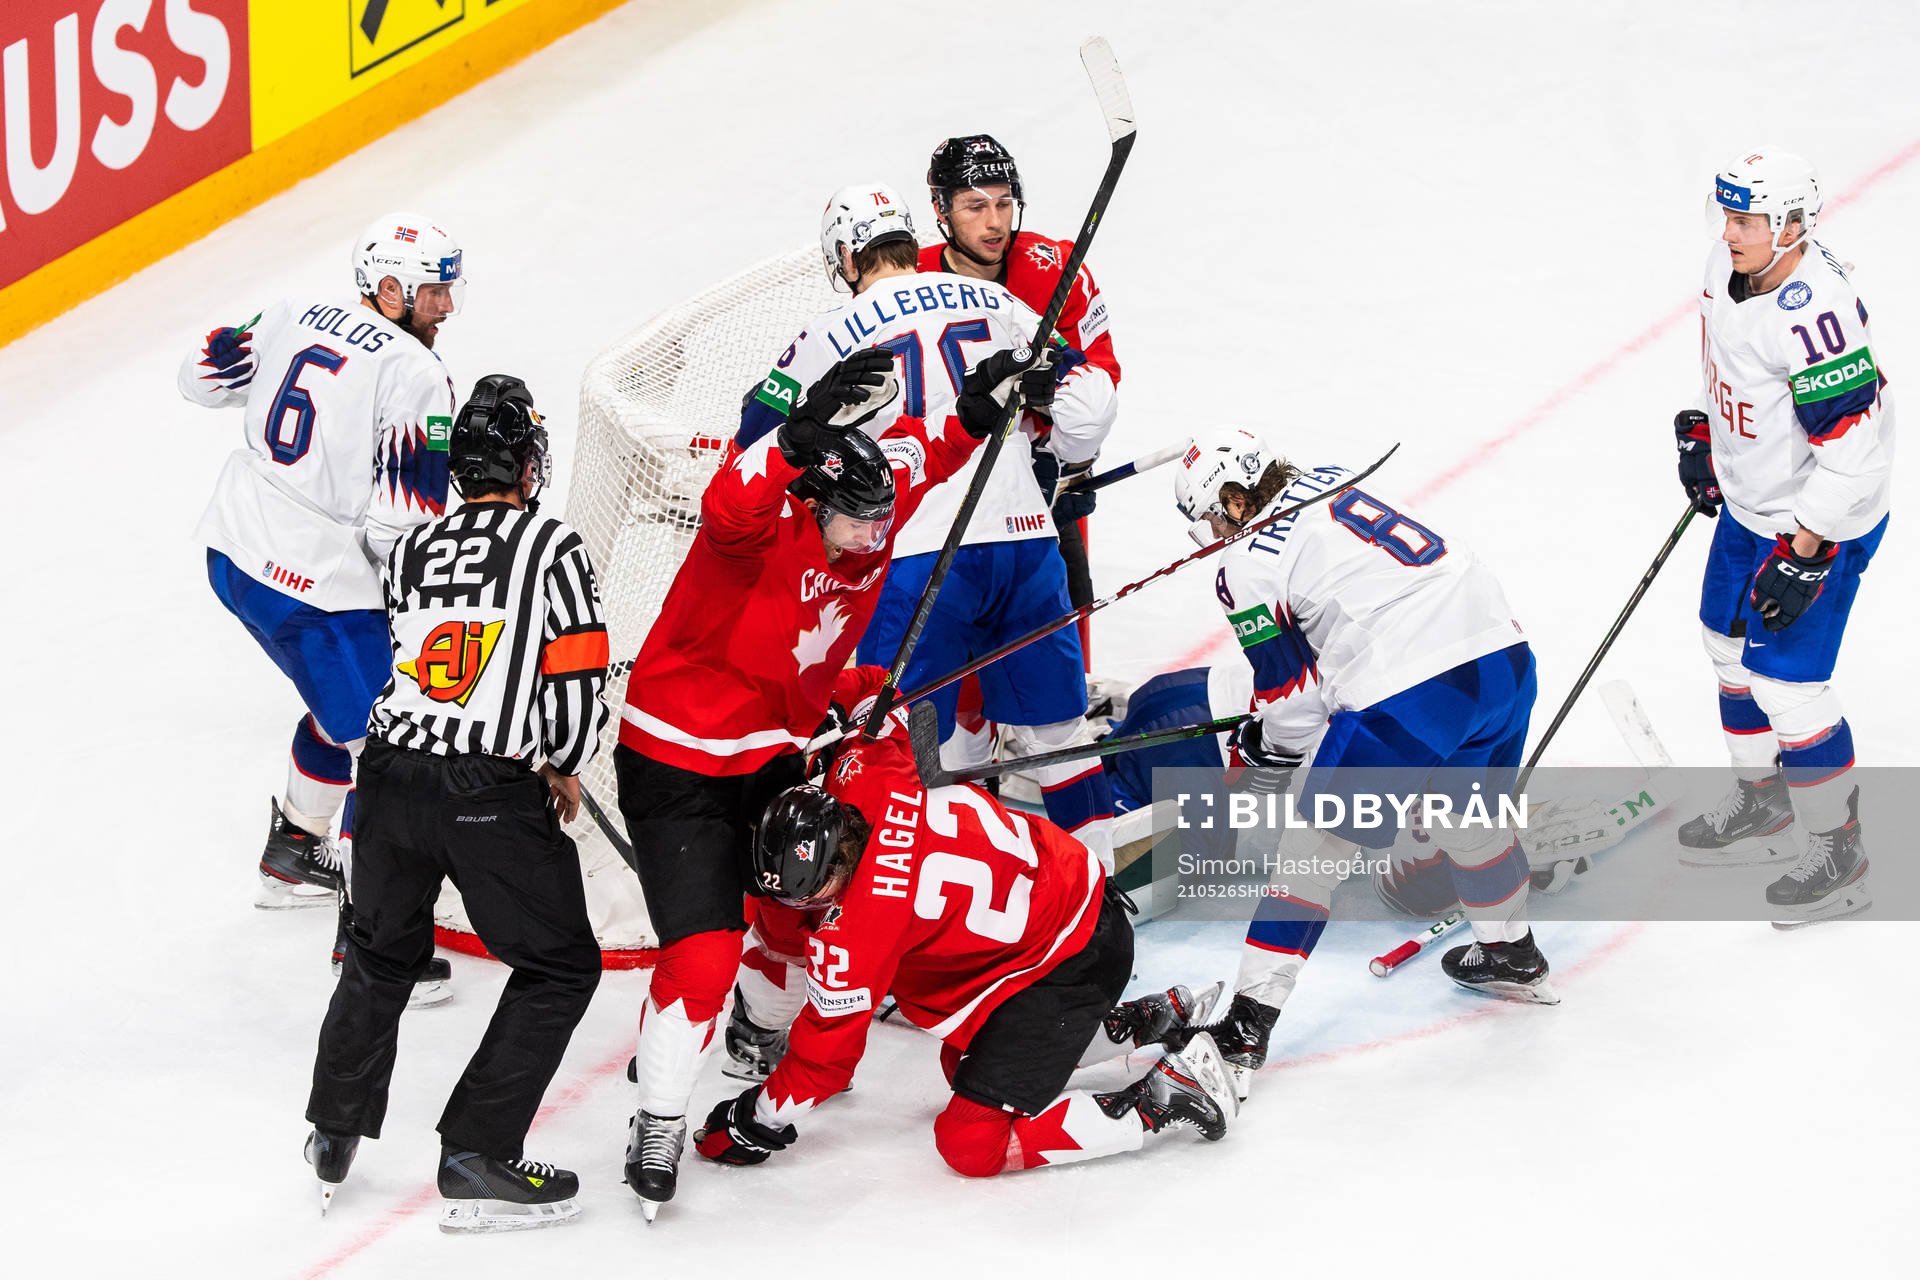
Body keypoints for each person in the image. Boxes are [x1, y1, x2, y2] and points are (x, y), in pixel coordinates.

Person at [617, 344, 1055, 1218]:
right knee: (704, 960)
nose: (873, 540)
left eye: (881, 524)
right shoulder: (753, 539)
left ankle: (758, 1033)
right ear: (811, 506)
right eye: (855, 525)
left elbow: (923, 464)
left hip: (779, 751)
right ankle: (659, 1119)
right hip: (682, 764)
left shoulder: (870, 516)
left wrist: (977, 410)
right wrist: (791, 436)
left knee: (795, 911)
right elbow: (729, 498)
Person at [693, 666, 1238, 1178]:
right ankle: (1138, 1024)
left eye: (816, 893)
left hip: (1070, 962)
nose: (814, 909)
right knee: (966, 1060)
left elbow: (824, 1064)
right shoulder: (872, 767)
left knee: (970, 1143)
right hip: (1074, 901)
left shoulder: (857, 934)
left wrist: (752, 1123)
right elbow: (882, 684)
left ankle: (1161, 1097)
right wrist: (839, 710)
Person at [738, 181, 1119, 876]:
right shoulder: (1002, 302)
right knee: (1060, 735)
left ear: (847, 257)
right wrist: (1055, 458)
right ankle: (1097, 902)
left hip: (916, 558)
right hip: (1027, 545)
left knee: (906, 755)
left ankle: (933, 909)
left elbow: (755, 443)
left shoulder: (828, 332)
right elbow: (1090, 409)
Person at [304, 375, 609, 1232]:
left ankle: (332, 1131)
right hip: (484, 794)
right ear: (523, 465)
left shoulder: (410, 549)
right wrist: (561, 761)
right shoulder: (551, 544)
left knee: (379, 952)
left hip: (390, 780)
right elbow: (577, 679)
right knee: (559, 965)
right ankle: (476, 1152)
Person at [1164, 427, 1551, 1099]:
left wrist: (1267, 752)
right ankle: (1511, 953)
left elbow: (1293, 706)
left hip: (1408, 690)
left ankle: (1245, 1029)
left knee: (1309, 859)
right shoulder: (1331, 477)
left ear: (1231, 497)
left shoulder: (1245, 568)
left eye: (1207, 515)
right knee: (1471, 820)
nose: (1208, 533)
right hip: (1504, 659)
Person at [179, 212, 461, 927]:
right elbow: (402, 521)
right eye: (435, 293)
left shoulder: (290, 310)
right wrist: (426, 601)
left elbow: (202, 381)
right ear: (391, 289)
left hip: (232, 551)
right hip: (311, 585)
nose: (447, 307)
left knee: (343, 706)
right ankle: (372, 929)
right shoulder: (417, 371)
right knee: (392, 743)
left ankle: (297, 848)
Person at [1672, 149, 1891, 929]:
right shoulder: (1723, 265)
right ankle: (1762, 801)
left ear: (1793, 226)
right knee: (1723, 645)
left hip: (1820, 524)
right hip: (1753, 504)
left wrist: (1804, 550)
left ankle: (1842, 852)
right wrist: (1705, 429)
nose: (1729, 233)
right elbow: (1724, 361)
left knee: (1789, 686)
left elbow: (1853, 453)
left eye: (1746, 220)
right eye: (1725, 215)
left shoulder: (1813, 312)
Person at [920, 134, 1121, 632]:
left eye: (1005, 203)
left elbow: (1100, 379)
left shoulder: (1059, 269)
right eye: (975, 205)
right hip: (938, 506)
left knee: (1062, 635)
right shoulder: (907, 280)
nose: (995, 222)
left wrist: (1074, 463)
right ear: (941, 209)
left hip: (1036, 496)